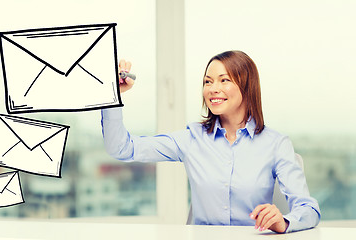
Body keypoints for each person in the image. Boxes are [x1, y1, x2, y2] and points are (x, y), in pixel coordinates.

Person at [100, 50, 320, 233]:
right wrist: (112, 95)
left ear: (246, 86)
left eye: (224, 80)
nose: (213, 89)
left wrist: (284, 221)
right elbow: (122, 148)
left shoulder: (276, 144)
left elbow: (308, 208)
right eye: (208, 81)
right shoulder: (192, 139)